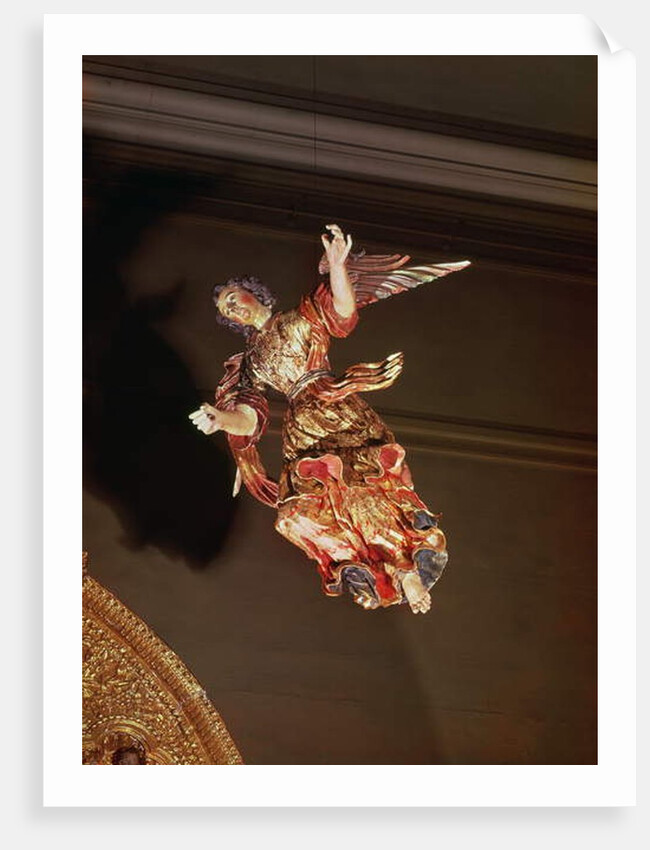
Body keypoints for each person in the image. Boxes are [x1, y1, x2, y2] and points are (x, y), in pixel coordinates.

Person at [189, 225, 469, 613]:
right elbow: (250, 416)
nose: (233, 308)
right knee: (294, 516)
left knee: (360, 486)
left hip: (335, 408)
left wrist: (338, 266)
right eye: (226, 310)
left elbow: (340, 313)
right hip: (302, 431)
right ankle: (364, 565)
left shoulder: (298, 319)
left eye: (234, 298)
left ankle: (401, 563)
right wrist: (221, 419)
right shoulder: (251, 363)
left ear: (255, 293)